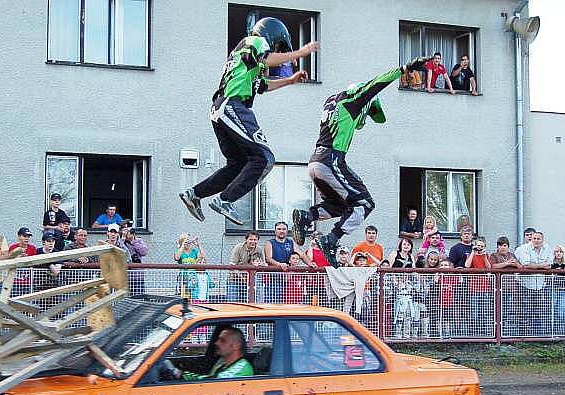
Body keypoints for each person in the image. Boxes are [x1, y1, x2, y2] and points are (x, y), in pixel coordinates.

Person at [291, 56, 431, 266]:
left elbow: (351, 121)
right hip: (331, 160)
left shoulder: (332, 101)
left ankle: (306, 216)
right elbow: (377, 83)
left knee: (339, 206)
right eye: (366, 114)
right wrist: (405, 68)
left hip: (315, 163)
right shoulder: (355, 100)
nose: (363, 121)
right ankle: (331, 239)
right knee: (365, 203)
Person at [179, 17, 319, 225]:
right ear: (272, 37)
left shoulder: (245, 62)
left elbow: (262, 86)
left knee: (238, 164)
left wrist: (290, 80)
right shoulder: (255, 41)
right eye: (278, 48)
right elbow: (266, 57)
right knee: (264, 158)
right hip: (232, 106)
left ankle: (194, 194)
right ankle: (225, 200)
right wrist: (301, 52)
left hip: (220, 110)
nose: (277, 56)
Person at [164, 327, 254, 380]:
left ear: (236, 346)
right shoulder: (223, 361)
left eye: (222, 341)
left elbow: (212, 381)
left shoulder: (243, 367)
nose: (216, 343)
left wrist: (179, 374)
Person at [464, 237, 493, 335]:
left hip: (485, 287)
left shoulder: (486, 255)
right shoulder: (471, 255)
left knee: (484, 311)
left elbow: (489, 267)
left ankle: (484, 332)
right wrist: (473, 252)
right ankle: (474, 332)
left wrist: (484, 256)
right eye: (478, 245)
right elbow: (467, 265)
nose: (479, 247)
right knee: (474, 312)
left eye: (482, 246)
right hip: (474, 287)